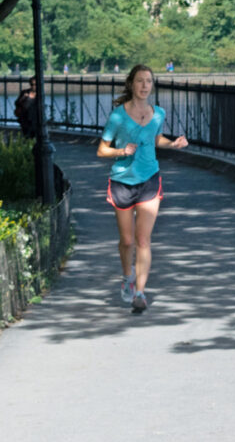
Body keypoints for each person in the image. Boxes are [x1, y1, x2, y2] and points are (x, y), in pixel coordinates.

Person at [96, 64, 188, 313]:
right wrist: (120, 151)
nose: (145, 85)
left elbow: (154, 138)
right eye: (140, 81)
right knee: (127, 241)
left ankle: (140, 292)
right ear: (131, 84)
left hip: (149, 180)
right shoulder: (118, 116)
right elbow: (101, 149)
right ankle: (128, 277)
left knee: (143, 240)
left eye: (149, 81)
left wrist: (172, 144)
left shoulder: (158, 113)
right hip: (122, 181)